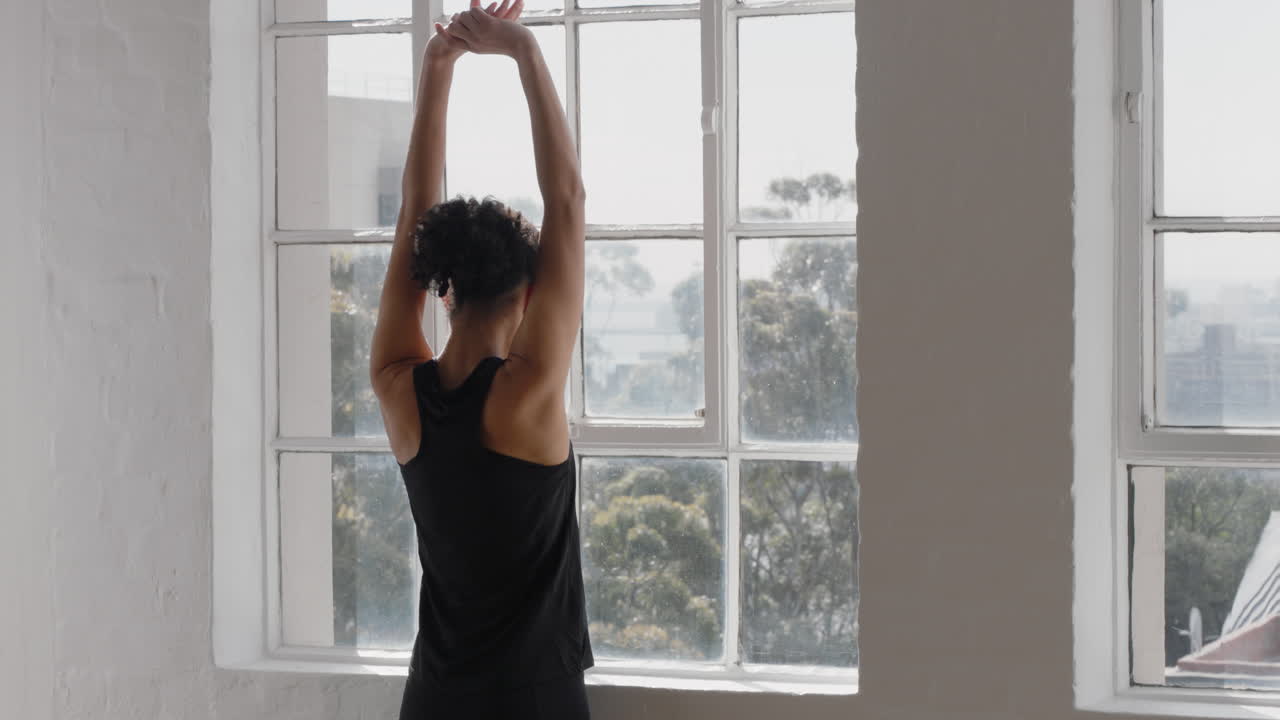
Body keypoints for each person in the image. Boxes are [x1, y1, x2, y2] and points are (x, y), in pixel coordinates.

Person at [368, 0, 592, 716]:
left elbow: (413, 216)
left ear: (444, 287)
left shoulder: (397, 386)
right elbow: (567, 199)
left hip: (433, 697)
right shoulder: (526, 395)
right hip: (534, 702)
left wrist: (439, 68)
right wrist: (523, 50)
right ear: (527, 294)